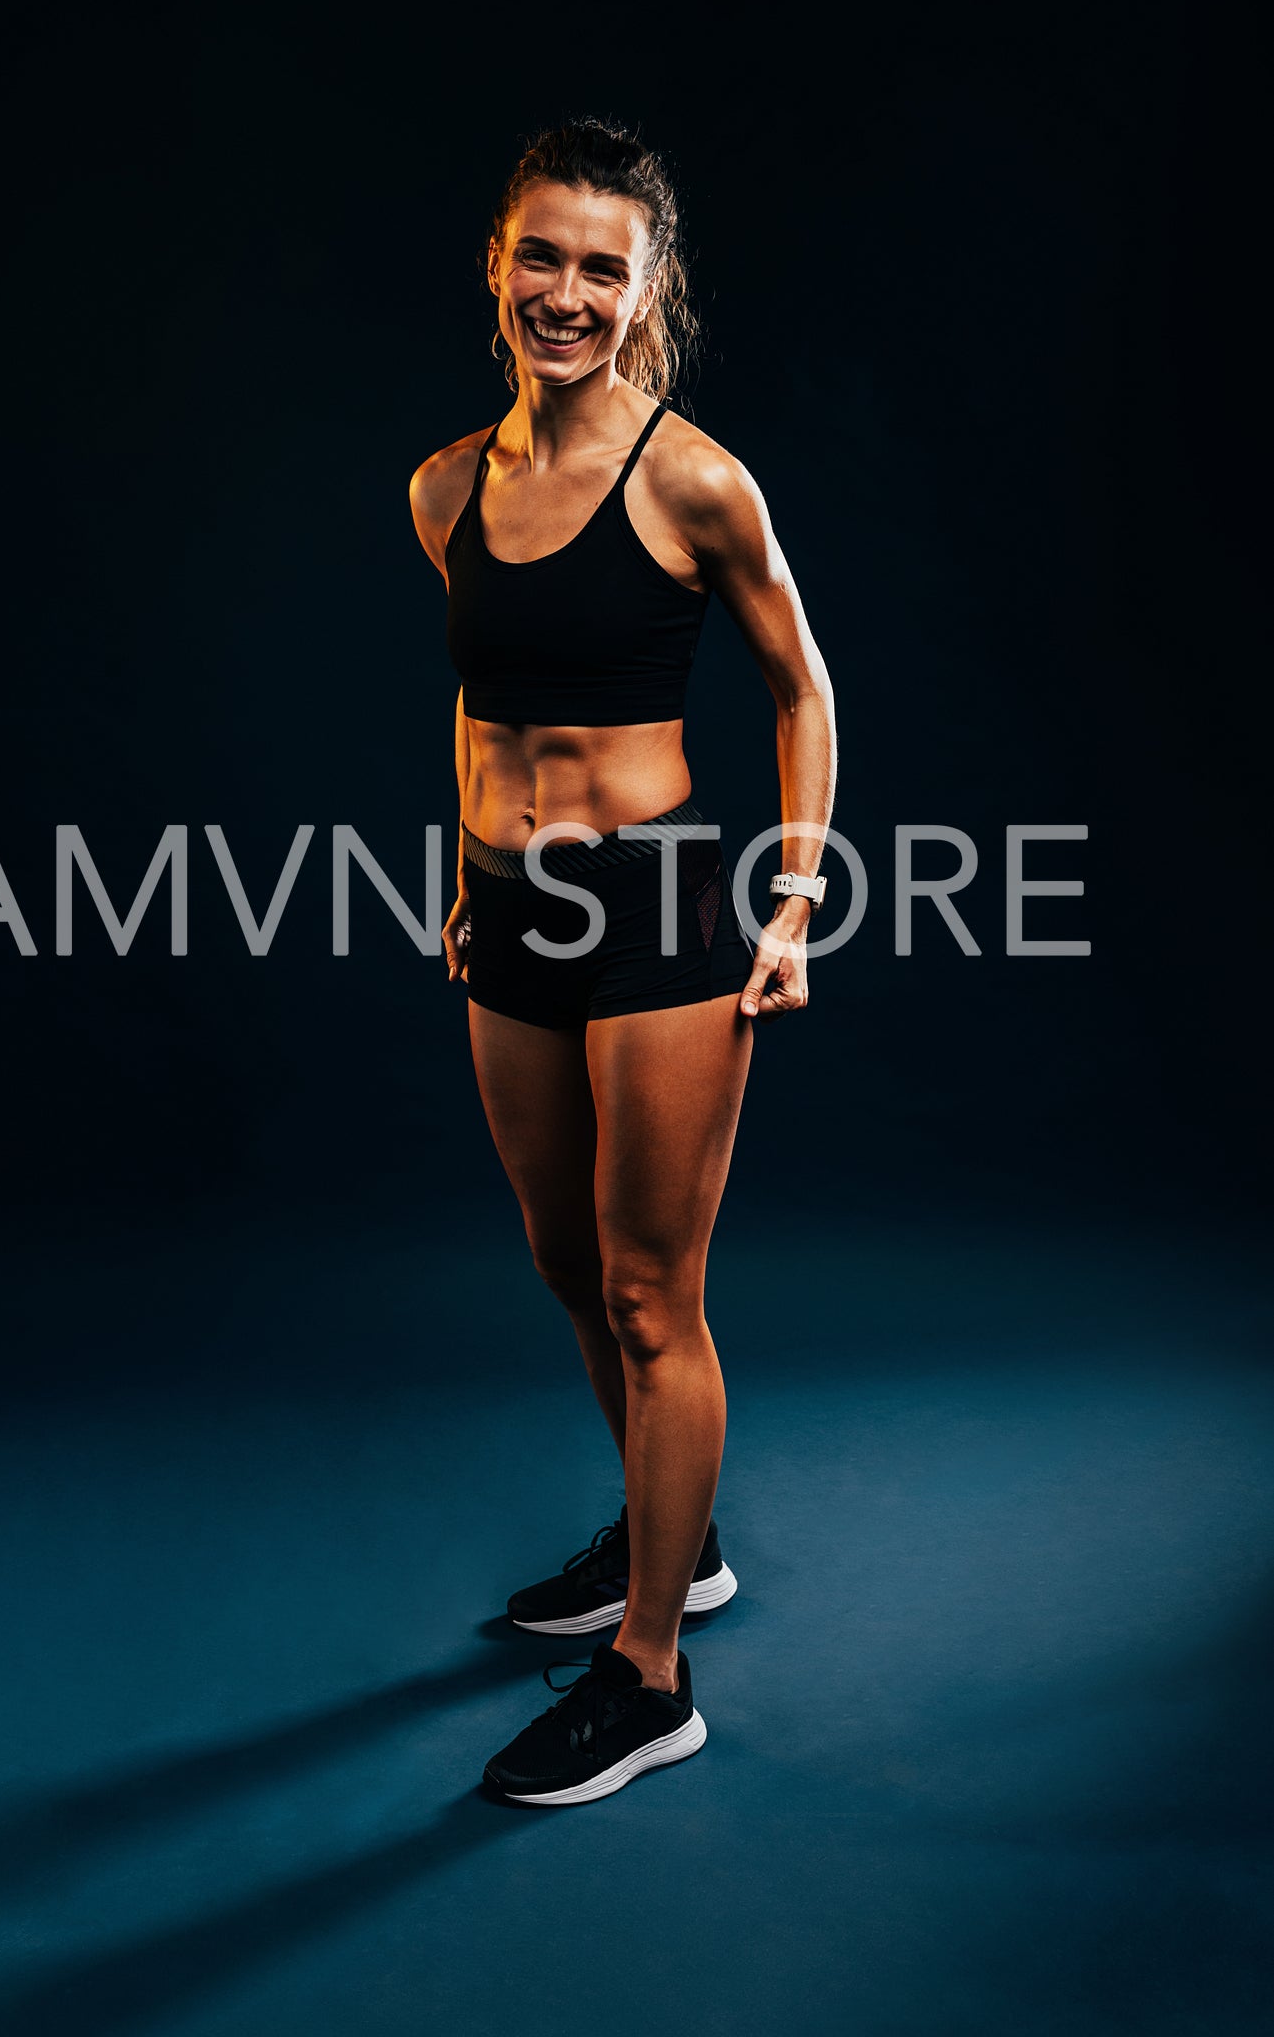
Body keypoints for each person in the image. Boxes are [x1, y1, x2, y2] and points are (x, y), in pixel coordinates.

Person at [409, 119, 837, 1806]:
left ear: (644, 286)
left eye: (602, 265)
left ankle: (650, 1674)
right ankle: (677, 1539)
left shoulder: (693, 480)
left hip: (657, 908)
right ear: (497, 267)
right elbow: (482, 697)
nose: (565, 293)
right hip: (508, 909)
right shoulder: (447, 485)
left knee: (658, 1290)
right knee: (566, 1266)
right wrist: (461, 869)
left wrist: (794, 900)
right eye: (542, 257)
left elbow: (800, 685)